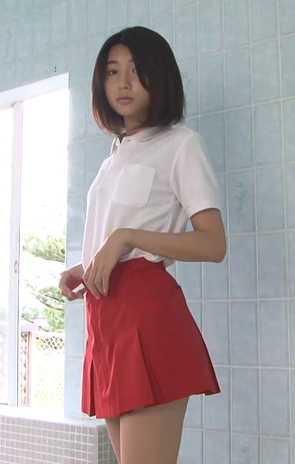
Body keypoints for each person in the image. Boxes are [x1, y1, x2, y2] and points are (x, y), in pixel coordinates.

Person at [58, 26, 227, 464]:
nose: (124, 83)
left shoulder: (180, 144)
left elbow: (213, 243)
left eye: (136, 71)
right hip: (105, 319)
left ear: (160, 76)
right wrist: (89, 266)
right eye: (113, 72)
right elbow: (116, 235)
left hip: (147, 315)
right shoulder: (114, 157)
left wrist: (126, 239)